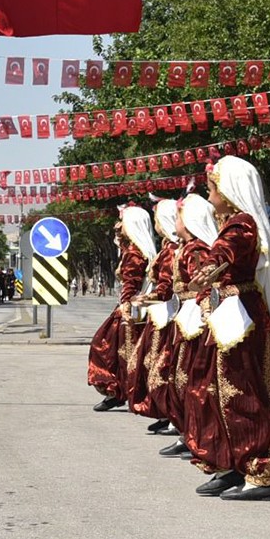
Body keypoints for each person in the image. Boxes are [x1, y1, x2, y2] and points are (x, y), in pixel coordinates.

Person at [184, 156, 270, 501]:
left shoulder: (242, 224)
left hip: (241, 316)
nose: (208, 190)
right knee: (212, 389)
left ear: (228, 191)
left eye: (213, 185)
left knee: (241, 391)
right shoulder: (231, 222)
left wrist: (210, 267)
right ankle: (229, 465)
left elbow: (225, 253)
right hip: (228, 313)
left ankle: (259, 473)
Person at [158, 193, 219, 460]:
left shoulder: (197, 250)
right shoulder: (186, 248)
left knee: (189, 378)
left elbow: (203, 285)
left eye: (179, 216)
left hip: (195, 317)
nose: (175, 221)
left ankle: (191, 433)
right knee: (179, 377)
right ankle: (186, 431)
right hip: (185, 315)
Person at [87, 207, 156, 412]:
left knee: (105, 348)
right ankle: (118, 391)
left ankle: (121, 391)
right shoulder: (132, 250)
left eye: (122, 222)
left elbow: (130, 285)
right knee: (117, 353)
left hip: (130, 311)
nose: (118, 227)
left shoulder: (135, 253)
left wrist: (125, 308)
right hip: (130, 309)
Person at [125, 198, 182, 431]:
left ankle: (172, 417)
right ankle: (165, 414)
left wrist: (144, 299)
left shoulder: (171, 251)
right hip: (160, 314)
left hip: (167, 315)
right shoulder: (167, 248)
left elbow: (166, 288)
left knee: (163, 367)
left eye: (157, 218)